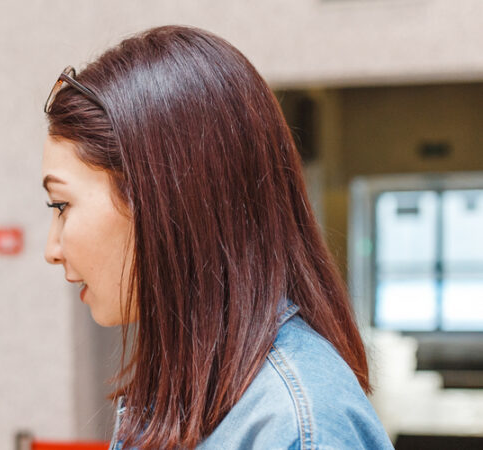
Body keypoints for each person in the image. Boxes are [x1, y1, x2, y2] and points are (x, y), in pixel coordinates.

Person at [41, 25, 392, 449]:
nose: (52, 250)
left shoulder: (295, 422)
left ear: (160, 200)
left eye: (61, 206)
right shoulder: (188, 387)